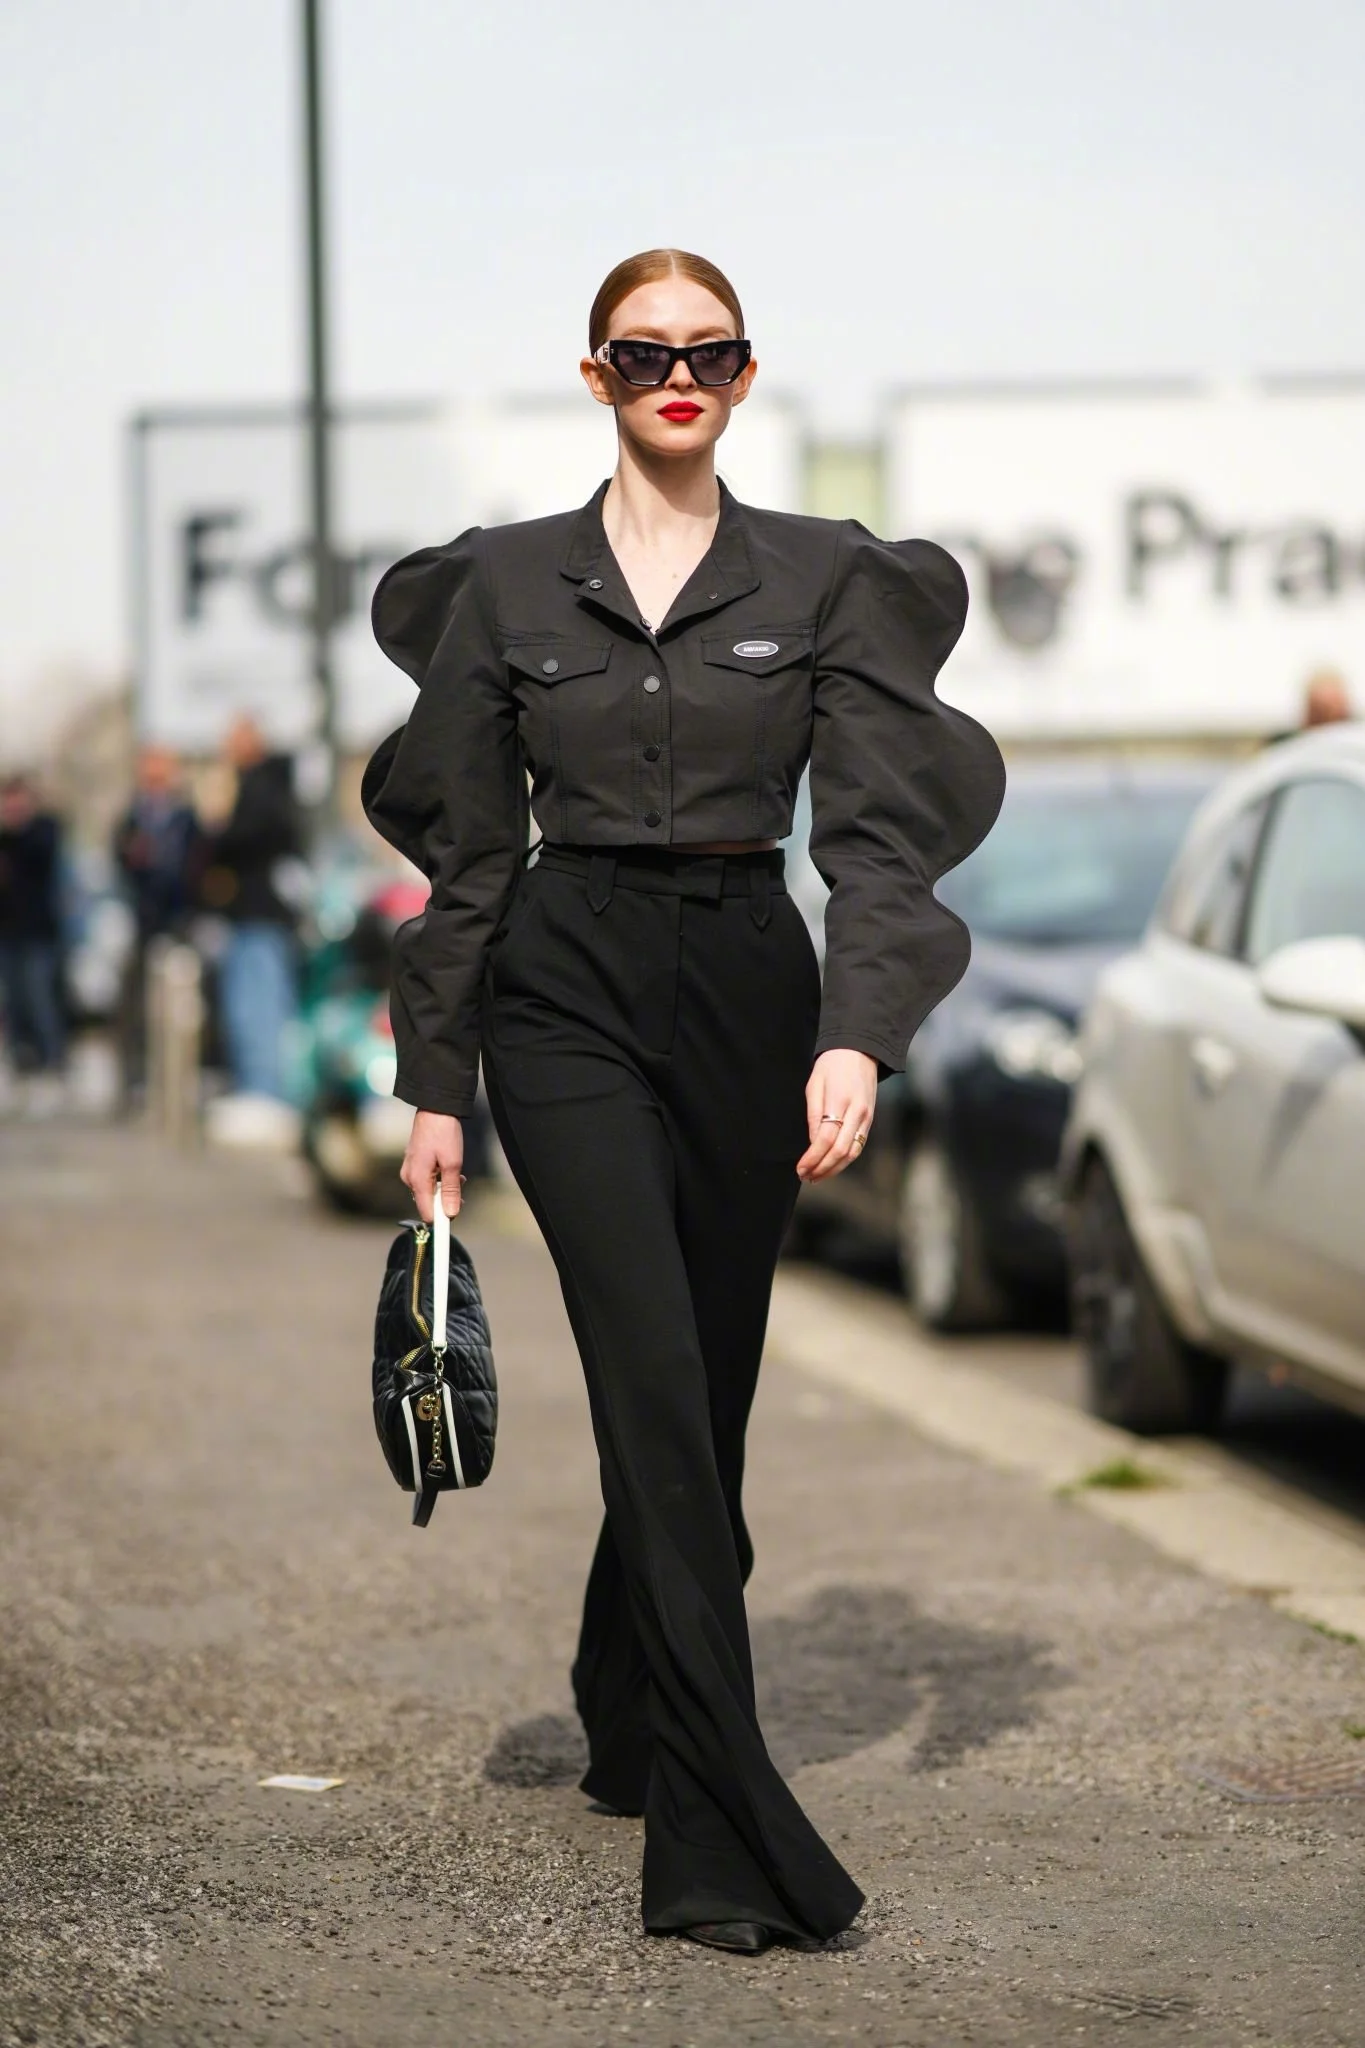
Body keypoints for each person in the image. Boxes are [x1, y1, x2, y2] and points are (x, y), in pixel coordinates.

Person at [362, 250, 1005, 1955]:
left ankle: (624, 1693)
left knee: (705, 1397)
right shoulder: (507, 583)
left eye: (708, 354)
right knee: (647, 1374)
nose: (677, 377)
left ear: (743, 375)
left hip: (748, 990)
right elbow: (468, 857)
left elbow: (876, 841)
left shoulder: (826, 576)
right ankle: (720, 1833)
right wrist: (438, 1083)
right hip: (561, 992)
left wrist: (858, 1034)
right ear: (595, 376)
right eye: (644, 353)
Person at [199, 715, 302, 1104]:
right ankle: (256, 1088)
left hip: (259, 917)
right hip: (248, 917)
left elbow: (242, 839)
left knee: (258, 1010)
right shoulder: (263, 785)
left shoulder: (263, 787)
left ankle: (264, 1093)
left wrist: (217, 830)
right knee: (247, 1009)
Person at [112, 743, 203, 1101]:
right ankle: (136, 1080)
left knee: (180, 1005)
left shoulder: (184, 817)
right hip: (142, 919)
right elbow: (121, 857)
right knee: (137, 1004)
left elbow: (194, 866)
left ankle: (178, 1083)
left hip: (177, 920)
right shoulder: (133, 817)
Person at [0, 773, 67, 1110]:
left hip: (38, 935)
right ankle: (21, 1067)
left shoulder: (43, 830)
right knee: (13, 1005)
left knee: (41, 1002)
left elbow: (40, 860)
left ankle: (51, 1066)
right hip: (7, 933)